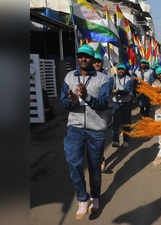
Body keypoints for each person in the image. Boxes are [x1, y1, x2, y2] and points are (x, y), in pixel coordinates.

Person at [60, 44, 113, 219]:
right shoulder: (69, 77)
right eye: (80, 56)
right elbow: (64, 103)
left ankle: (95, 196)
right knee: (73, 162)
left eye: (87, 57)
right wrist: (72, 100)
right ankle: (83, 199)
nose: (83, 59)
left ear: (92, 59)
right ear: (78, 58)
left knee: (94, 165)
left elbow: (104, 103)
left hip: (96, 129)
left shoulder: (104, 79)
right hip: (74, 127)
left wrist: (86, 97)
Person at [111, 64, 133, 148]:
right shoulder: (113, 78)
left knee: (126, 124)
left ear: (125, 70)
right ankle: (115, 140)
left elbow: (126, 90)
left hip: (126, 104)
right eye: (119, 69)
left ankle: (126, 141)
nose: (120, 71)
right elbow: (110, 88)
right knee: (115, 123)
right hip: (116, 104)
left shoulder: (129, 79)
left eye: (122, 69)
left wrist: (116, 91)